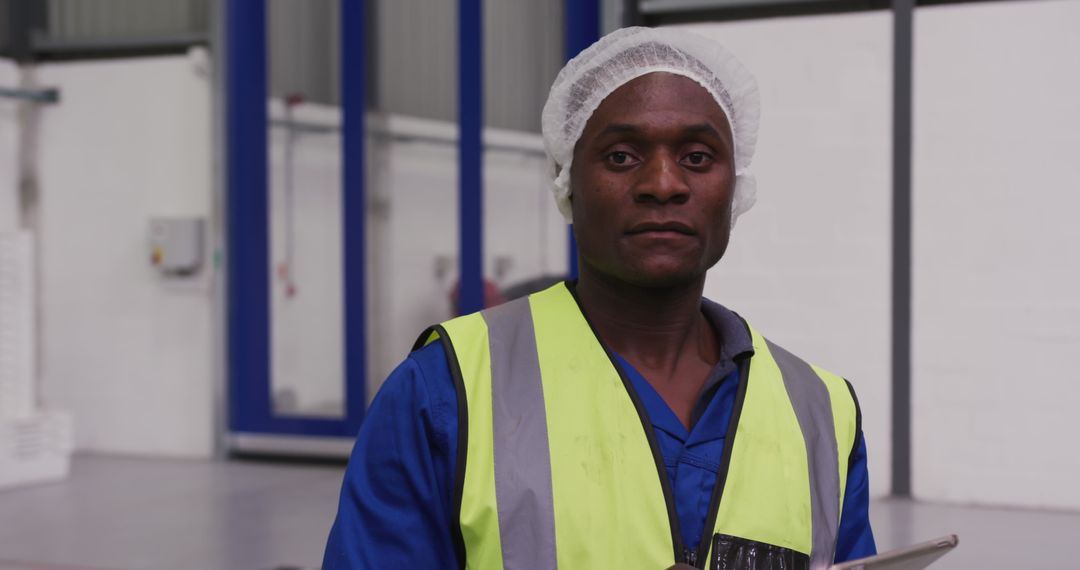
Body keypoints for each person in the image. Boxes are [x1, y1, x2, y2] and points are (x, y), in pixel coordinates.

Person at [323, 26, 875, 570]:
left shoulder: (820, 411)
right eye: (621, 157)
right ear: (568, 181)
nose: (663, 183)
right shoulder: (447, 390)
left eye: (698, 157)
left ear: (736, 187)